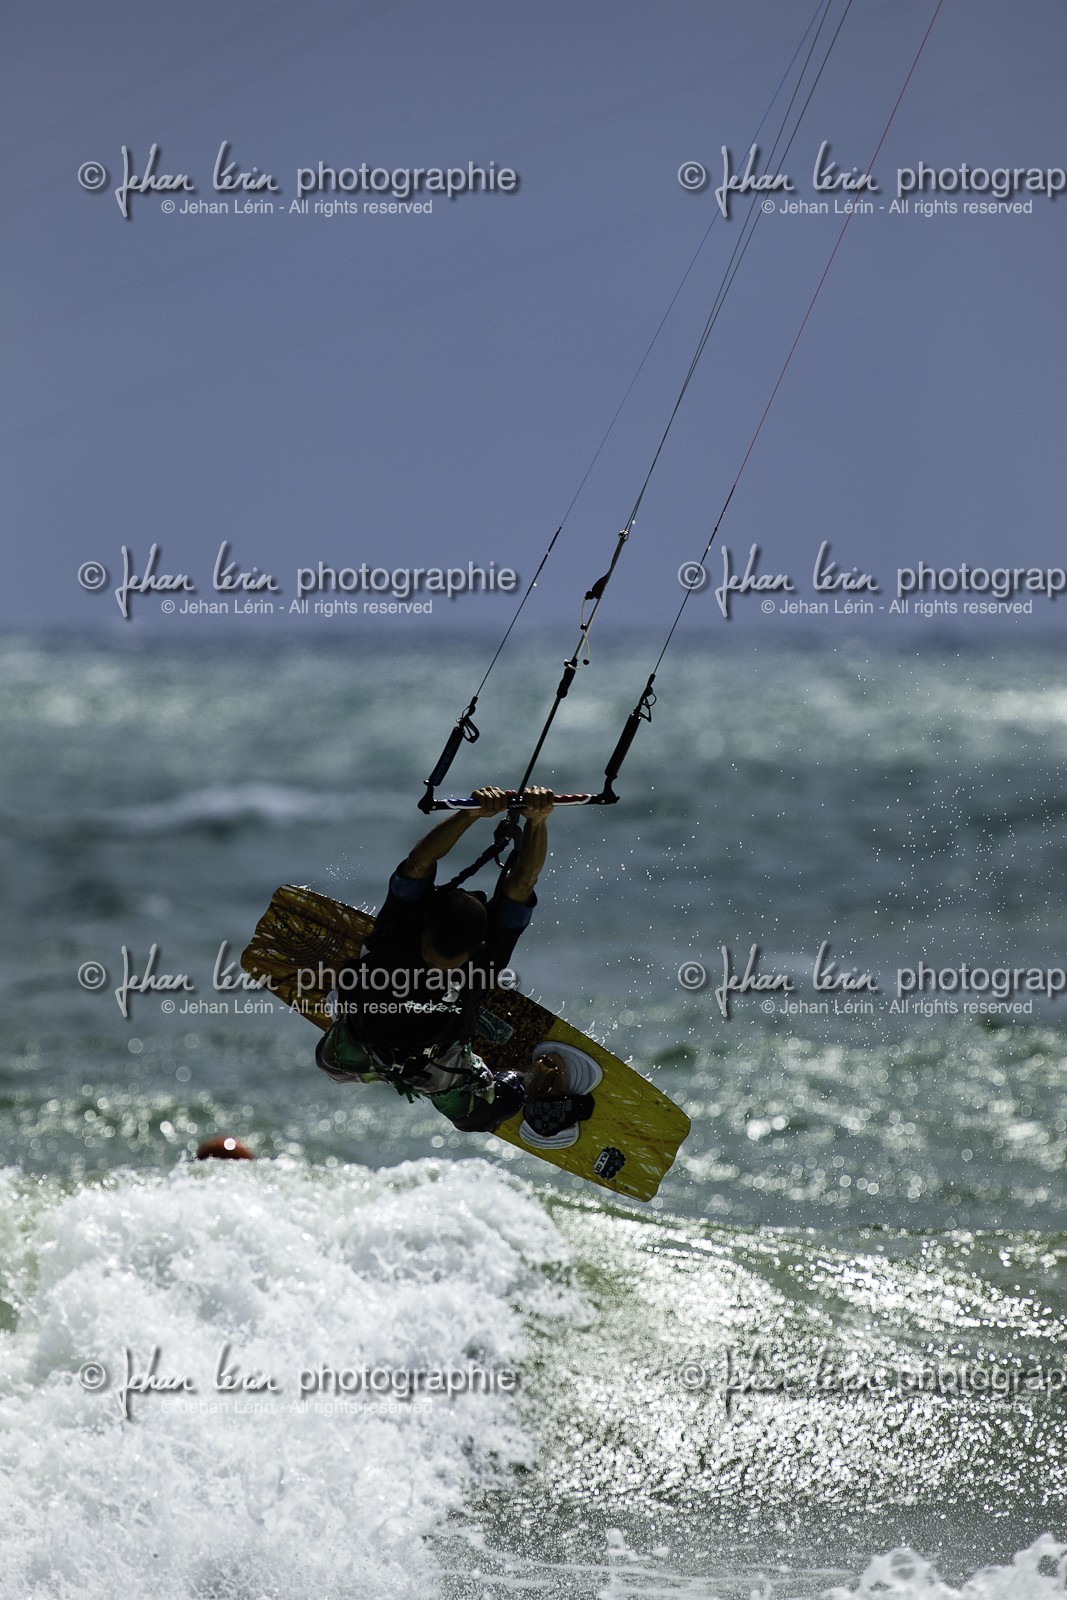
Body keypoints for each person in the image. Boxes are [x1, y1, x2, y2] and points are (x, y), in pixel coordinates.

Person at [315, 785, 600, 1140]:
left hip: (434, 1061)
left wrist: (537, 821)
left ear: (477, 946)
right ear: (423, 930)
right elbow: (420, 859)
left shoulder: (483, 947)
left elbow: (524, 880)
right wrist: (469, 814)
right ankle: (345, 1006)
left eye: (449, 965)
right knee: (329, 1063)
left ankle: (531, 1082)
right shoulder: (401, 923)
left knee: (477, 1119)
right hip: (367, 1044)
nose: (438, 971)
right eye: (430, 958)